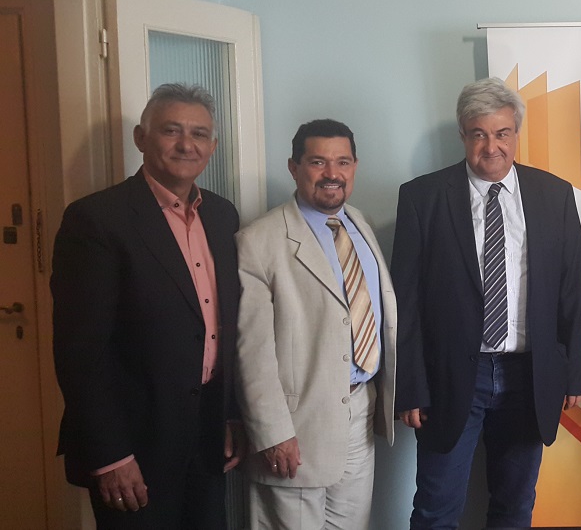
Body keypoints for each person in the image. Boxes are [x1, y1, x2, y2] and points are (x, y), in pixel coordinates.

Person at [392, 78, 581, 530]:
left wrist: (574, 371)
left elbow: (571, 290)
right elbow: (406, 302)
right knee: (436, 508)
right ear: (463, 135)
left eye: (502, 133)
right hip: (451, 376)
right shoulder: (423, 197)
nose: (491, 146)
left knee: (514, 507)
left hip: (529, 374)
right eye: (479, 134)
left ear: (516, 133)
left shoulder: (554, 194)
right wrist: (410, 385)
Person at [51, 83, 243, 529]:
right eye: (171, 130)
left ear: (212, 147)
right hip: (134, 441)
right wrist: (110, 455)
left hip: (207, 434)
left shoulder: (222, 215)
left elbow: (227, 327)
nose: (186, 144)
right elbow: (81, 352)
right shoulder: (96, 220)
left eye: (199, 134)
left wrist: (230, 414)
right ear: (141, 137)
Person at [236, 119, 398, 529]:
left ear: (355, 166)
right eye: (317, 162)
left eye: (342, 161)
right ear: (294, 167)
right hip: (297, 425)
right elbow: (252, 353)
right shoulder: (259, 241)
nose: (332, 173)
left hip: (359, 412)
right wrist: (272, 433)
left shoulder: (359, 224)